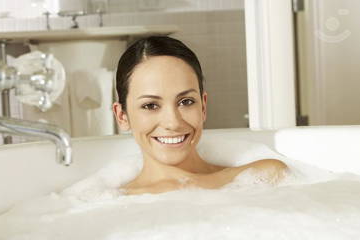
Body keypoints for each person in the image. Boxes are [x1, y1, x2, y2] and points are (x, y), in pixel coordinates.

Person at [112, 36, 287, 195]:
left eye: (186, 102)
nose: (173, 123)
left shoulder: (266, 176)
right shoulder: (114, 203)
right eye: (150, 105)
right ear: (122, 116)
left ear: (203, 106)